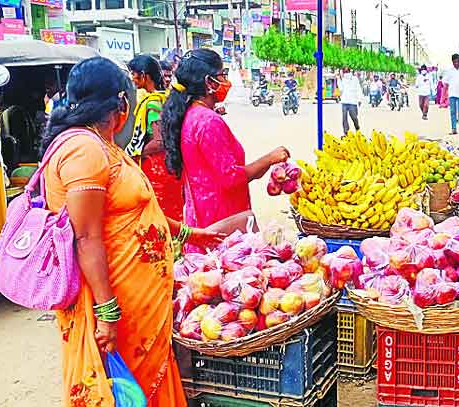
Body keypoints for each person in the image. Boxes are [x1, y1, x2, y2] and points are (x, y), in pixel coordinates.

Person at [39, 56, 224, 407]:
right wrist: (108, 314)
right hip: (116, 306)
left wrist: (190, 234)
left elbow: (138, 212)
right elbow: (86, 238)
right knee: (125, 391)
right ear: (120, 103)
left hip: (137, 306)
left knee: (144, 388)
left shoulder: (101, 146)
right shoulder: (84, 151)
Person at [161, 49, 290, 238]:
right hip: (220, 220)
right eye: (222, 75)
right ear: (209, 82)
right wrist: (269, 159)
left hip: (202, 214)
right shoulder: (207, 121)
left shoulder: (191, 114)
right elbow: (231, 177)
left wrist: (265, 164)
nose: (225, 81)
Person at [125, 55, 184, 221]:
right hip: (171, 165)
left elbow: (159, 141)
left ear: (144, 75)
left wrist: (135, 153)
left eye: (133, 73)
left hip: (158, 168)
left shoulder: (152, 103)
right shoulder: (166, 98)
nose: (132, 78)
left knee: (160, 216)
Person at [339, 67, 362, 134]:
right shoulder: (342, 79)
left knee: (354, 117)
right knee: (344, 118)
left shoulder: (355, 79)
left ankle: (357, 127)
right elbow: (341, 89)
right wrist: (338, 79)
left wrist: (359, 99)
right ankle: (346, 132)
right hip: (344, 101)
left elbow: (358, 89)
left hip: (352, 101)